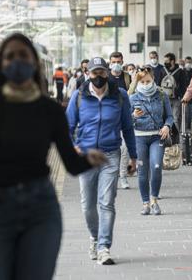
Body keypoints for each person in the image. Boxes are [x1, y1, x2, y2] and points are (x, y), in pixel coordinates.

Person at [0, 33, 106, 280]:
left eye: (23, 55)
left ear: (34, 63)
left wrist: (88, 159)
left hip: (40, 209)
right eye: (10, 56)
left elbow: (71, 165)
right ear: (1, 63)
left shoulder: (50, 110)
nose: (16, 61)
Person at [66, 57, 138, 266]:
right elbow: (68, 128)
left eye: (101, 72)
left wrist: (134, 157)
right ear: (88, 74)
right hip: (86, 156)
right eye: (94, 73)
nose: (98, 76)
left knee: (106, 202)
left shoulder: (120, 96)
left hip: (110, 155)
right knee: (88, 206)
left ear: (107, 73)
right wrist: (73, 147)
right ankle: (95, 237)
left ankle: (104, 247)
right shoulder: (78, 97)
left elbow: (128, 128)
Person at [129, 67, 173, 216]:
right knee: (142, 171)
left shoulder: (161, 95)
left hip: (157, 137)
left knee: (156, 166)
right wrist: (133, 116)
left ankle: (154, 200)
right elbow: (126, 122)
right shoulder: (133, 98)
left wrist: (167, 126)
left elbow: (170, 116)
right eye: (142, 81)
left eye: (148, 81)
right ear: (138, 82)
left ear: (153, 79)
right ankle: (145, 203)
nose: (146, 84)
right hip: (139, 138)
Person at [108, 52, 133, 189]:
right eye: (114, 61)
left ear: (122, 61)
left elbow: (133, 95)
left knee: (124, 148)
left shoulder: (127, 77)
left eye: (118, 61)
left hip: (124, 117)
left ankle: (123, 176)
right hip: (109, 119)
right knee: (111, 149)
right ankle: (112, 176)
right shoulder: (105, 77)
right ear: (110, 62)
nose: (116, 64)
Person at [162, 52, 188, 136]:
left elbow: (184, 85)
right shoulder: (163, 70)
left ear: (172, 61)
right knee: (165, 117)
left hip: (176, 98)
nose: (165, 63)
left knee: (176, 118)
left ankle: (175, 136)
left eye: (167, 61)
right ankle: (166, 134)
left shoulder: (180, 72)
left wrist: (183, 97)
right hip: (164, 98)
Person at [183, 56, 192, 130]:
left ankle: (188, 126)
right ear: (184, 62)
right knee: (184, 113)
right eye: (187, 62)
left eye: (189, 62)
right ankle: (184, 127)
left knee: (190, 113)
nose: (188, 64)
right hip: (184, 96)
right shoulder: (181, 71)